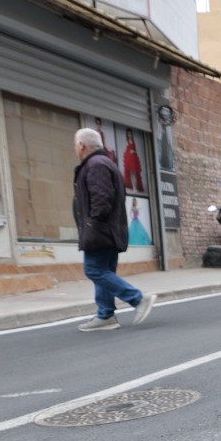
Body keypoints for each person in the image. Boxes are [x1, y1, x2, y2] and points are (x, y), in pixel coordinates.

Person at [73, 128, 155, 332]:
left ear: (82, 145)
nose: (75, 148)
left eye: (75, 145)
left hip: (100, 231)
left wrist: (92, 225)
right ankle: (105, 315)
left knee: (94, 270)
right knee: (104, 272)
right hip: (107, 230)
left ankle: (138, 299)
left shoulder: (96, 165)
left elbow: (102, 199)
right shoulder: (105, 163)